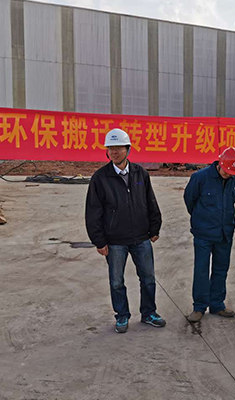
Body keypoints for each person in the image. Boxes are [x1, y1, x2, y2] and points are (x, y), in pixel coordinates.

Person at [85, 128, 164, 333]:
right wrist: (99, 241)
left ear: (128, 149)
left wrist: (154, 227)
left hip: (141, 238)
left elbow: (150, 201)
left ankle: (149, 313)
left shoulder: (140, 173)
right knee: (116, 281)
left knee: (148, 278)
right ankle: (122, 316)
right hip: (115, 241)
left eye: (119, 148)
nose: (115, 152)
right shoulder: (100, 178)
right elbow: (93, 212)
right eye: (111, 148)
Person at [183, 147, 235, 322]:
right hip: (203, 233)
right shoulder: (200, 178)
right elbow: (190, 200)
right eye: (226, 171)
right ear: (219, 163)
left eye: (232, 172)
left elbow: (232, 199)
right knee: (201, 270)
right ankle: (199, 307)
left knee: (221, 269)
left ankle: (217, 304)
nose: (228, 175)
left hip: (225, 233)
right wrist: (202, 219)